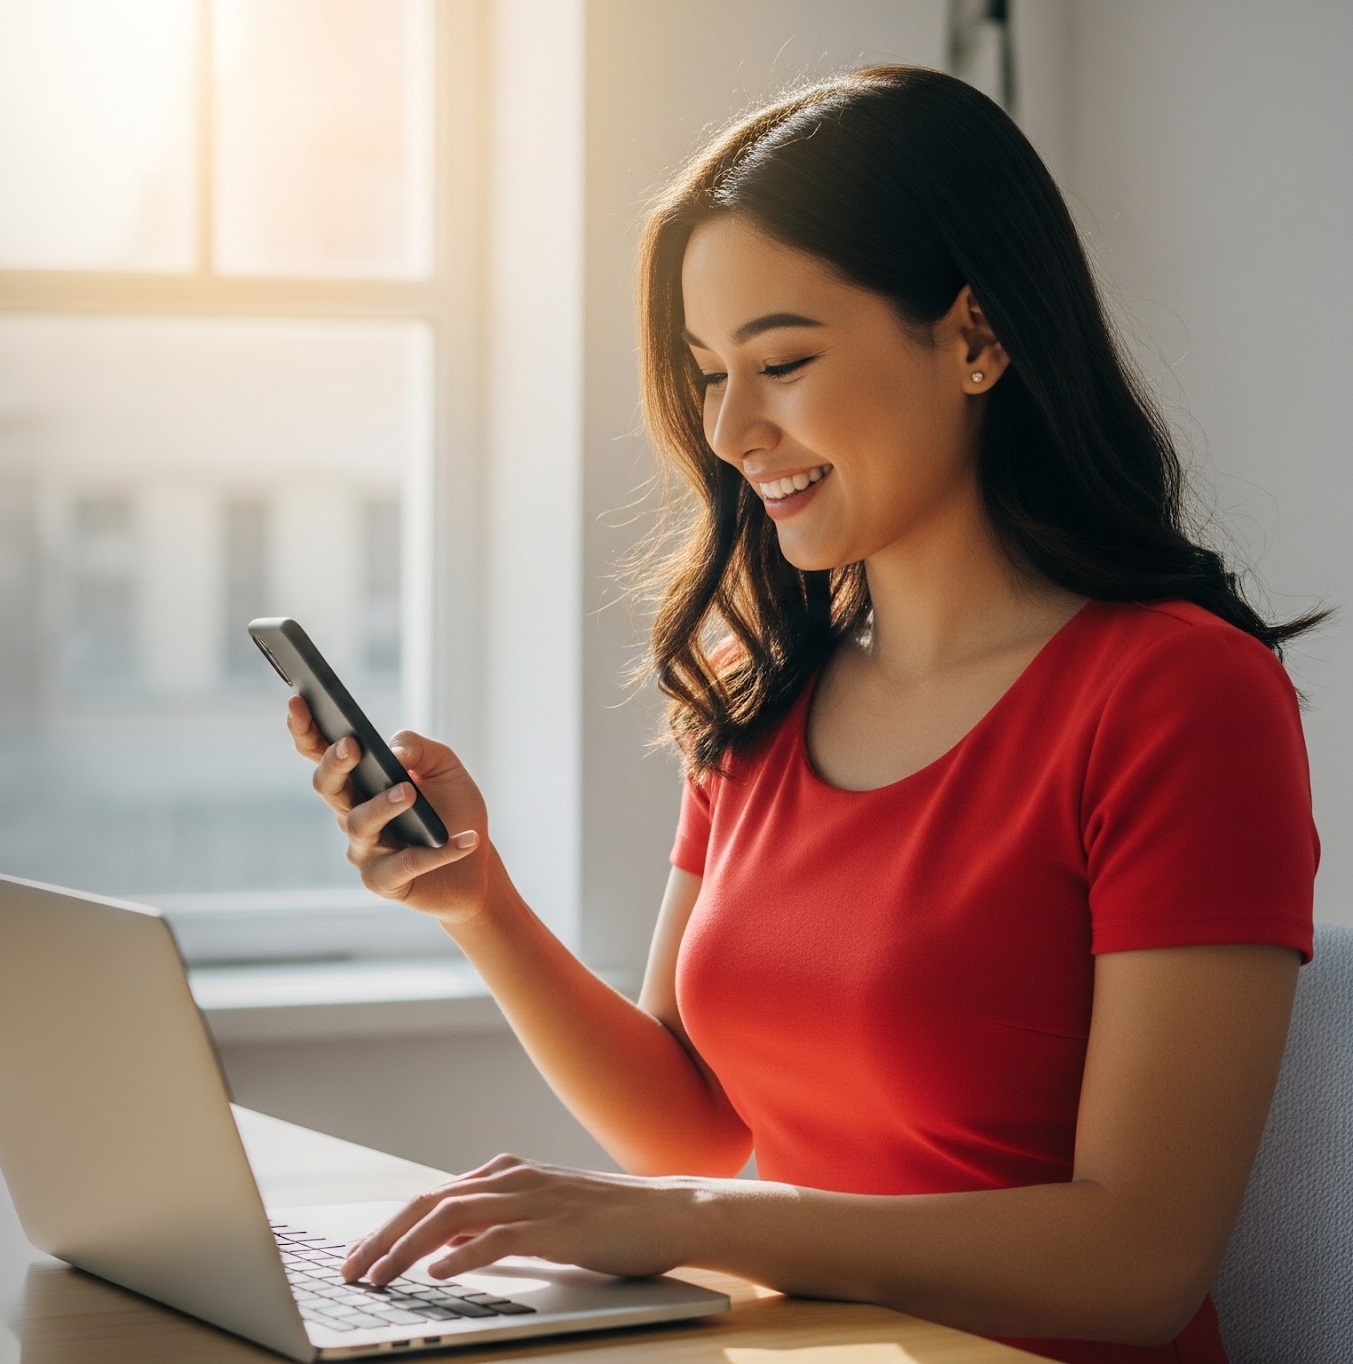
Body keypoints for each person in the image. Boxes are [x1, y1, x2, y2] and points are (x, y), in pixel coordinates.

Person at [281, 64, 1322, 1364]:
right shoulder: (769, 692)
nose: (728, 429)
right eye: (707, 372)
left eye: (782, 361)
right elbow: (695, 1127)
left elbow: (1136, 1269)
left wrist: (694, 1221)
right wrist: (478, 901)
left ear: (978, 339)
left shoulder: (1180, 696)